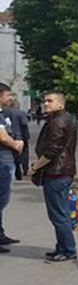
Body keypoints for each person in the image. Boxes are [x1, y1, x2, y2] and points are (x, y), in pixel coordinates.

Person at [30, 92, 78, 262]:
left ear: (61, 104)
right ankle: (62, 247)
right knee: (61, 213)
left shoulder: (57, 122)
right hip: (63, 171)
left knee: (58, 215)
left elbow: (52, 151)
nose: (46, 104)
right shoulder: (65, 119)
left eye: (50, 101)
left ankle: (68, 250)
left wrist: (35, 167)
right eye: (45, 101)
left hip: (57, 172)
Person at [0, 84, 24, 253]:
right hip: (2, 159)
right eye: (8, 95)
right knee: (1, 199)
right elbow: (2, 136)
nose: (10, 98)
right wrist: (16, 144)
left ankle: (0, 234)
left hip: (5, 158)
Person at [4, 96, 30, 180]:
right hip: (20, 136)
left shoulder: (4, 112)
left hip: (8, 135)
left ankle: (15, 171)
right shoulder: (21, 112)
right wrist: (26, 136)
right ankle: (24, 170)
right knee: (23, 154)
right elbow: (24, 125)